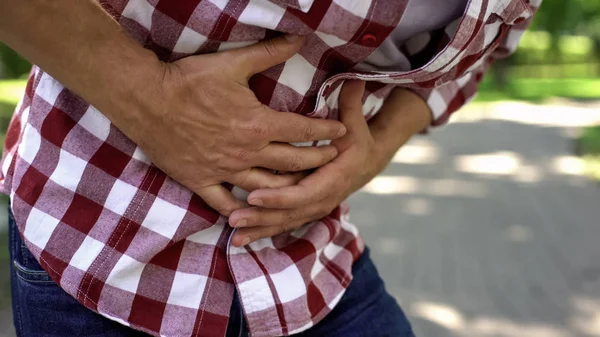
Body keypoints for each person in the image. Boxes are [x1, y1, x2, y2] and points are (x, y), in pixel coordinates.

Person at [0, 0, 540, 336]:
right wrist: (150, 99)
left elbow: (488, 40)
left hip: (308, 261)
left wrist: (375, 148)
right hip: (105, 237)